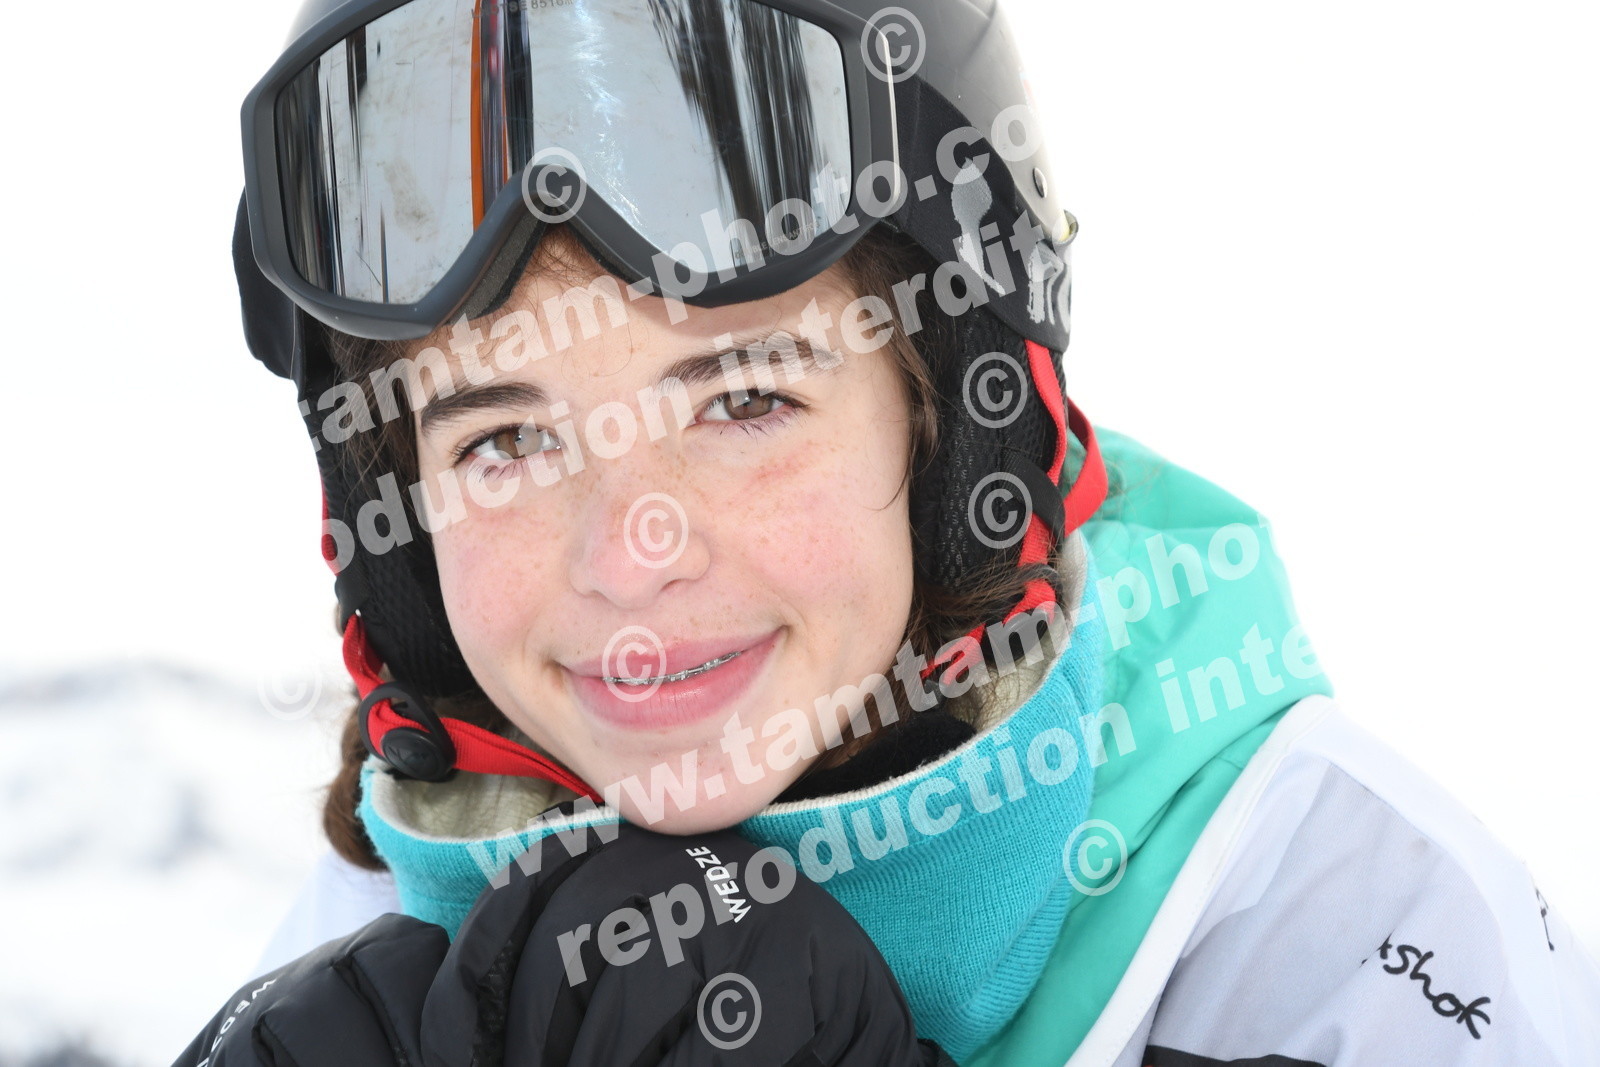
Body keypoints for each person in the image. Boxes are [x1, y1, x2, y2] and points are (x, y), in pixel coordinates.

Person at [180, 0, 1600, 1062]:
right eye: (504, 442)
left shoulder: (1344, 918)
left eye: (743, 401)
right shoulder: (387, 925)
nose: (627, 557)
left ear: (952, 433)